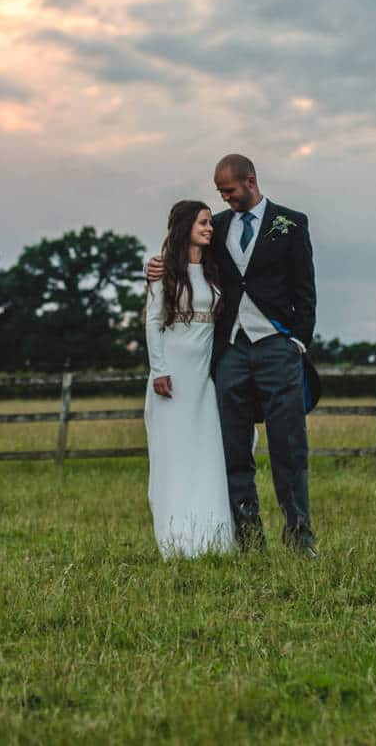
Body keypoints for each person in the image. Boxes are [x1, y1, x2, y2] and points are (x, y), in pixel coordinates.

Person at [147, 154, 319, 556]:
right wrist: (153, 267)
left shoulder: (292, 223)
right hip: (230, 352)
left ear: (250, 181)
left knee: (287, 445)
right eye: (220, 192)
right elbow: (182, 261)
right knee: (232, 446)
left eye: (229, 190)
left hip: (277, 345)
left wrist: (298, 342)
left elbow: (305, 289)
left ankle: (299, 537)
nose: (224, 199)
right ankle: (248, 538)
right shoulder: (217, 226)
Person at [143, 199, 234, 559]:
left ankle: (212, 538)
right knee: (174, 455)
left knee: (206, 453)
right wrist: (158, 370)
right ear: (185, 227)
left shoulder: (214, 272)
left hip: (203, 377)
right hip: (173, 374)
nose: (209, 228)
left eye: (211, 223)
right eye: (202, 223)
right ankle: (177, 540)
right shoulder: (163, 271)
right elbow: (152, 322)